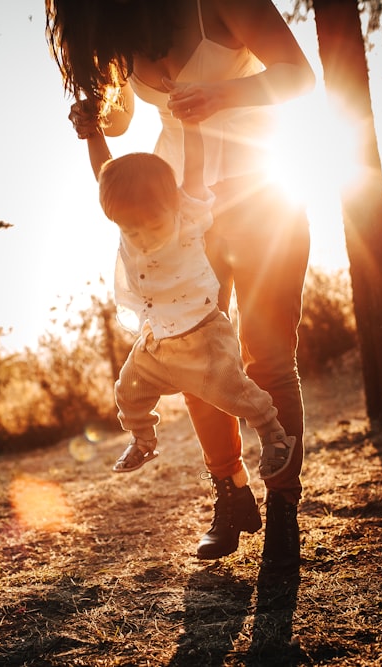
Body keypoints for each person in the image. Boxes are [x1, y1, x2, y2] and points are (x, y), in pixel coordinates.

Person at [47, 0, 315, 574]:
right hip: (180, 209)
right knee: (189, 347)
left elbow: (299, 76)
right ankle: (231, 492)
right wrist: (92, 118)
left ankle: (283, 508)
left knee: (268, 360)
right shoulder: (125, 25)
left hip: (261, 191)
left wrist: (222, 96)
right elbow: (121, 118)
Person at [92, 117, 297, 500]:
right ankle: (144, 439)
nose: (139, 236)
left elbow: (195, 168)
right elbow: (104, 175)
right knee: (127, 392)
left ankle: (274, 435)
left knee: (235, 394)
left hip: (202, 334)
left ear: (173, 205)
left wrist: (191, 126)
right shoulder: (130, 225)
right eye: (129, 228)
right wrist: (92, 133)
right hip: (157, 341)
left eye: (149, 225)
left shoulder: (187, 217)